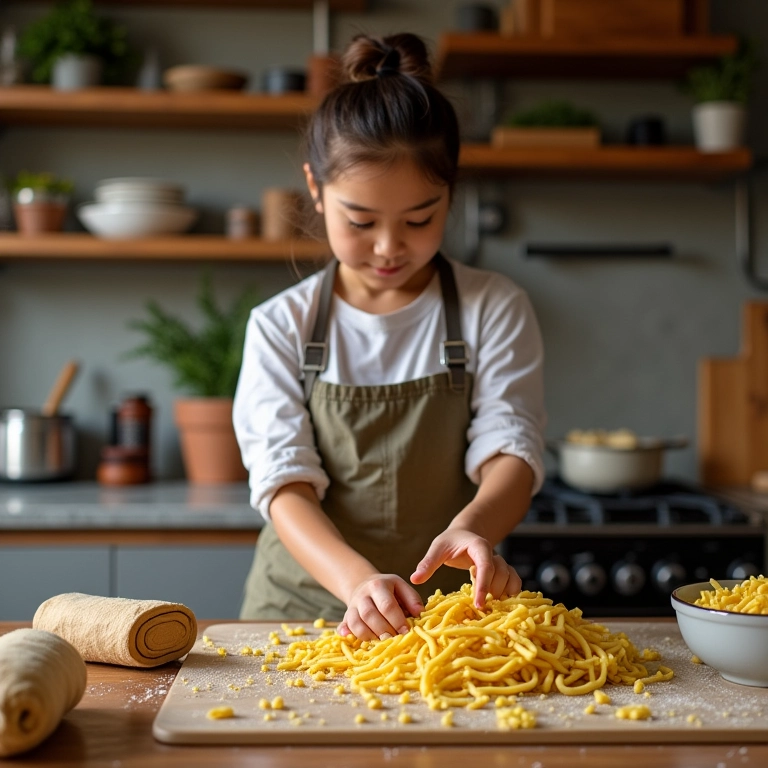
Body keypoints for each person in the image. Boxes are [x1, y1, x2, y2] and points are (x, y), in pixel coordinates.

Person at [233, 32, 546, 642]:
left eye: (419, 218)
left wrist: (474, 527)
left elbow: (512, 448)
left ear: (451, 193)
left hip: (447, 621)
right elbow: (283, 483)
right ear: (316, 189)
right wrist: (356, 583)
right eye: (361, 221)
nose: (387, 246)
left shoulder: (494, 307)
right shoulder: (280, 325)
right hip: (299, 616)